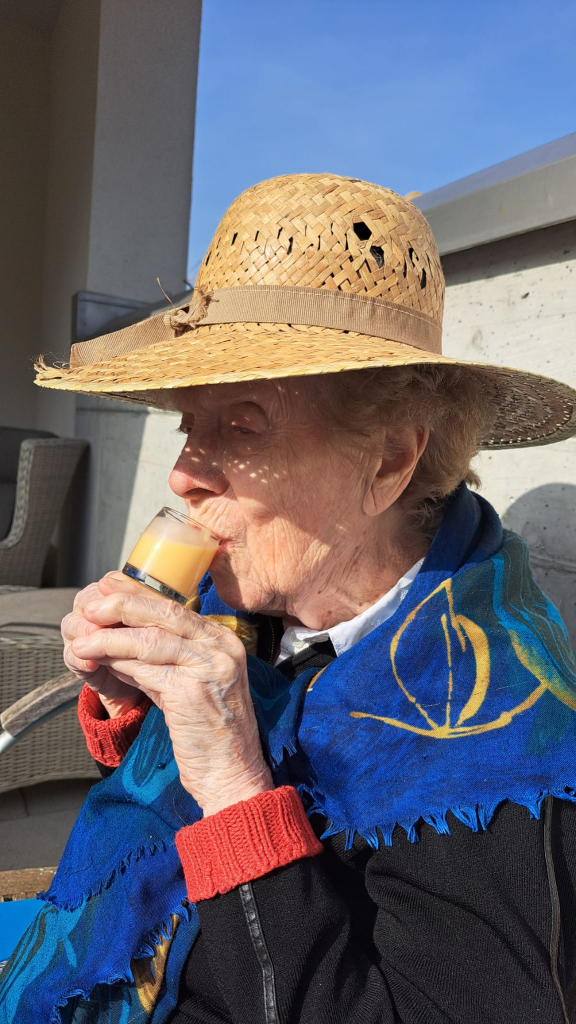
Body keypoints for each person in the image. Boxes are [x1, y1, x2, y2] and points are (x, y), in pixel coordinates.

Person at [2, 173, 576, 1024]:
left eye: (241, 425)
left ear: (388, 461)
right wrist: (135, 708)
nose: (181, 474)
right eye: (189, 426)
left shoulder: (499, 751)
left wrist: (235, 783)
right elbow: (155, 813)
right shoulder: (260, 599)